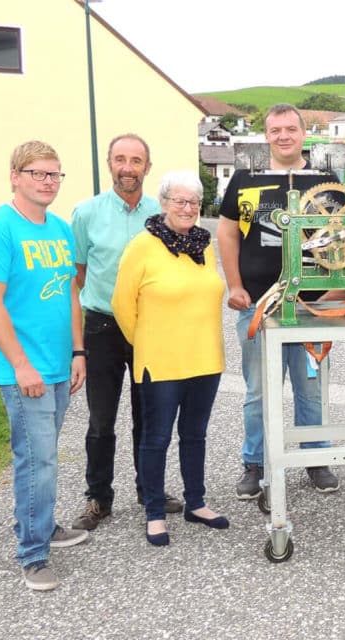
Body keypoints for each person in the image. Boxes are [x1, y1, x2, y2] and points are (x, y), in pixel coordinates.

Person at [0, 140, 89, 592]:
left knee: (43, 456)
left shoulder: (59, 229)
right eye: (38, 173)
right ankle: (33, 554)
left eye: (55, 174)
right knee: (37, 460)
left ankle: (42, 526)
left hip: (59, 364)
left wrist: (78, 352)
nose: (48, 182)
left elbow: (70, 294)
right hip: (24, 369)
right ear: (15, 176)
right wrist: (21, 365)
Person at [217, 103, 345, 499]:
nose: (284, 136)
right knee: (258, 391)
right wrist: (234, 286)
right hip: (259, 305)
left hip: (309, 308)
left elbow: (344, 239)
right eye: (276, 130)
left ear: (305, 133)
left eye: (291, 129)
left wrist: (333, 293)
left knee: (310, 388)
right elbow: (227, 234)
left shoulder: (326, 180)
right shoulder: (245, 179)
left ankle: (315, 459)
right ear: (266, 135)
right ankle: (253, 464)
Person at [69, 134, 184, 533]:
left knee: (149, 416)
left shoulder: (162, 213)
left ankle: (148, 488)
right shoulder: (86, 213)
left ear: (147, 168)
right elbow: (78, 273)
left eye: (137, 160)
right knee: (101, 419)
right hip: (102, 326)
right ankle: (98, 497)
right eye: (121, 159)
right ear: (109, 164)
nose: (128, 167)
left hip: (149, 327)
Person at [112, 170, 230, 545]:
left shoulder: (204, 245)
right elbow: (121, 305)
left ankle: (196, 502)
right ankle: (154, 513)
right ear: (163, 203)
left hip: (205, 359)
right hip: (160, 362)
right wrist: (146, 342)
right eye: (179, 201)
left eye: (194, 202)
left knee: (194, 435)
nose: (187, 208)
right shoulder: (142, 246)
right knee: (156, 437)